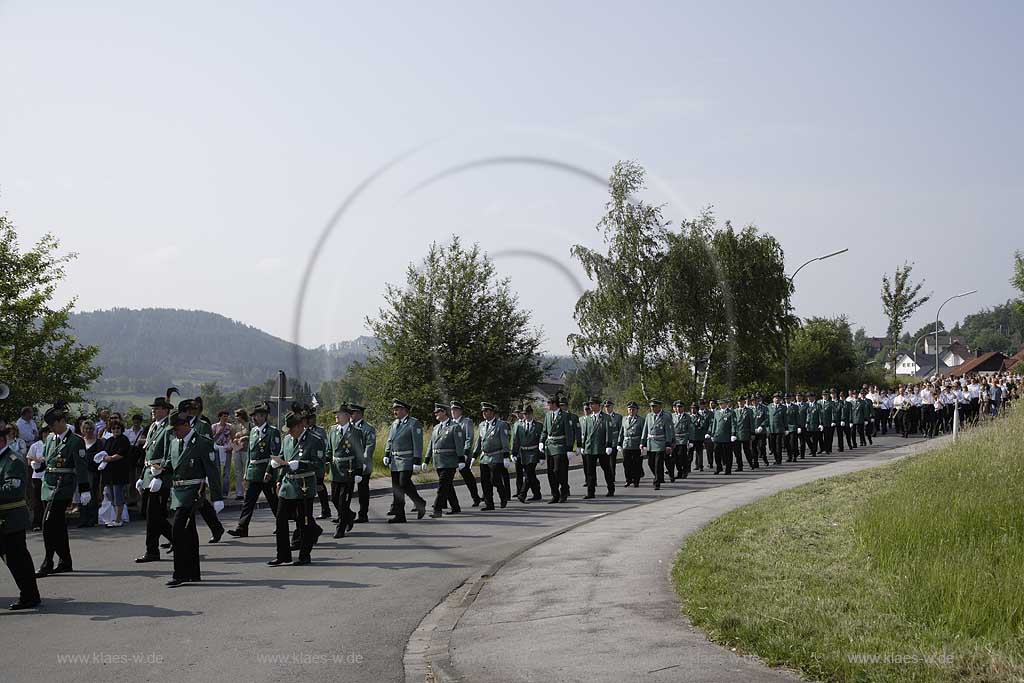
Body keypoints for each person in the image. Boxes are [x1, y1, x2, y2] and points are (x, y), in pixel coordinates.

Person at [163, 409, 224, 586]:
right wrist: (158, 475)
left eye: (176, 428)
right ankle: (193, 572)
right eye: (173, 429)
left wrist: (217, 496)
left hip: (193, 492)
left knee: (179, 530)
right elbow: (170, 465)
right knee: (189, 533)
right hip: (178, 492)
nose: (174, 432)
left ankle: (180, 573)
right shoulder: (175, 443)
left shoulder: (202, 443)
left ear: (186, 425)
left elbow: (212, 471)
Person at [37, 403, 91, 578]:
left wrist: (84, 489)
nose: (51, 428)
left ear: (61, 421)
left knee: (48, 524)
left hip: (63, 487)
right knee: (58, 527)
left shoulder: (75, 441)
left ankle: (48, 561)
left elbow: (81, 466)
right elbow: (48, 461)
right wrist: (38, 466)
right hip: (48, 486)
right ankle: (65, 561)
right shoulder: (51, 439)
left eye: (53, 424)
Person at [268, 411, 322, 565]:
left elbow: (319, 465)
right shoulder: (287, 440)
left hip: (304, 485)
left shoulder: (314, 440)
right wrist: (277, 469)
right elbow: (282, 456)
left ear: (300, 426)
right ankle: (283, 555)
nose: (289, 432)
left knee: (304, 522)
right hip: (287, 485)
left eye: (292, 429)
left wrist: (301, 465)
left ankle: (304, 555)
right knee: (280, 520)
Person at [0, 428, 41, 610]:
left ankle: (30, 596)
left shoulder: (13, 461)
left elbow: (13, 489)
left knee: (17, 560)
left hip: (10, 519)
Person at [227, 402, 281, 538]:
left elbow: (275, 454)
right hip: (253, 472)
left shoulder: (272, 431)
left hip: (266, 473)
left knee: (274, 502)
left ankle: (282, 524)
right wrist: (246, 472)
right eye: (252, 416)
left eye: (256, 416)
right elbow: (250, 454)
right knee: (248, 502)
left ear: (263, 416)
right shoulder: (253, 431)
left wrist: (270, 471)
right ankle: (242, 527)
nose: (253, 418)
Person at [135, 393, 175, 563]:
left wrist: (161, 475)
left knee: (153, 517)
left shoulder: (168, 428)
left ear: (165, 411)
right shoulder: (153, 427)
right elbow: (148, 453)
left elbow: (169, 454)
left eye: (157, 408)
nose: (153, 411)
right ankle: (179, 539)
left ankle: (152, 551)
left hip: (160, 477)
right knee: (150, 514)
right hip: (149, 474)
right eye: (153, 408)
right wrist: (142, 476)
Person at [326, 403, 365, 537]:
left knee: (344, 501)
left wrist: (359, 471)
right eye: (336, 414)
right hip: (335, 469)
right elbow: (329, 449)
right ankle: (350, 515)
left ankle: (341, 527)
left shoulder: (356, 432)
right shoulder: (332, 430)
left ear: (348, 416)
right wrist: (326, 460)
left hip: (349, 470)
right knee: (335, 499)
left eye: (339, 414)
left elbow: (360, 453)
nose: (336, 416)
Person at [384, 399, 426, 523]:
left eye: (397, 409)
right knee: (397, 488)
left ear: (405, 410)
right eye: (394, 409)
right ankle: (400, 515)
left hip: (407, 459)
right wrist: (387, 453)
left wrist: (417, 460)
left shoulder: (413, 423)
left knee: (403, 484)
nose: (395, 411)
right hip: (395, 460)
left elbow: (417, 443)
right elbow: (390, 440)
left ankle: (419, 503)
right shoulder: (395, 424)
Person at [425, 403, 465, 517]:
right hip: (438, 461)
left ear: (444, 412)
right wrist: (426, 460)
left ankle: (437, 510)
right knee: (448, 486)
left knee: (442, 486)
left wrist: (461, 459)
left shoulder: (454, 426)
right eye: (435, 412)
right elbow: (431, 444)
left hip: (449, 462)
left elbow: (459, 445)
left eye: (438, 411)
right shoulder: (436, 427)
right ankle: (455, 507)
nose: (436, 414)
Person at [472, 402, 511, 509]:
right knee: (485, 482)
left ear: (492, 412)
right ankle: (489, 504)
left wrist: (506, 456)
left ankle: (503, 497)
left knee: (495, 480)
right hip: (484, 457)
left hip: (496, 456)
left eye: (487, 411)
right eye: (483, 411)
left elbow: (505, 441)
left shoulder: (500, 424)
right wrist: (474, 456)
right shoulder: (482, 425)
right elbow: (479, 442)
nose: (484, 413)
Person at [540, 394, 575, 503]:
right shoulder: (547, 416)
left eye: (549, 403)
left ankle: (564, 493)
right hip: (550, 446)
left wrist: (569, 448)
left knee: (559, 471)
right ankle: (555, 494)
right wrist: (541, 441)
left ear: (554, 404)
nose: (547, 406)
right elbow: (545, 430)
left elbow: (569, 433)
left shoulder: (564, 416)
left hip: (560, 446)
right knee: (550, 472)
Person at [449, 402, 482, 508]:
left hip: (463, 454)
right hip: (451, 455)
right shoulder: (450, 423)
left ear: (460, 411)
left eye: (456, 410)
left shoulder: (466, 422)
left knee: (467, 476)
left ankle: (475, 497)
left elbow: (469, 438)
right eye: (452, 410)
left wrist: (466, 453)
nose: (453, 412)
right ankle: (443, 501)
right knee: (447, 478)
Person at [579, 397, 612, 499]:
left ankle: (611, 488)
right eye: (590, 404)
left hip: (601, 447)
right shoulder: (588, 418)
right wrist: (583, 446)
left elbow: (608, 433)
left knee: (606, 469)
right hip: (590, 447)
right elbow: (585, 434)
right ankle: (590, 492)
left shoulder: (606, 417)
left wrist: (609, 445)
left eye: (592, 404)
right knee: (590, 471)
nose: (590, 406)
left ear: (598, 405)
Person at [100, 419, 131, 527]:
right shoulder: (109, 441)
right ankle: (116, 517)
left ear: (121, 429)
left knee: (118, 496)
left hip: (119, 472)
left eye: (118, 428)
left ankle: (118, 519)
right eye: (113, 428)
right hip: (108, 472)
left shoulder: (124, 440)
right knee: (111, 496)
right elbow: (103, 453)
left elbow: (121, 454)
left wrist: (109, 458)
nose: (116, 430)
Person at [511, 404, 543, 502]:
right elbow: (516, 440)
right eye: (525, 414)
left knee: (529, 473)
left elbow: (542, 440)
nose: (526, 416)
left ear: (531, 414)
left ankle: (522, 494)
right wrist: (514, 453)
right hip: (523, 453)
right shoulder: (519, 425)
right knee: (531, 475)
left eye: (528, 414)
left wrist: (542, 455)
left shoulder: (538, 426)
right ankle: (537, 493)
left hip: (533, 452)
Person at [350, 404, 376, 524]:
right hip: (350, 464)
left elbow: (369, 446)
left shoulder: (368, 428)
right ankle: (345, 514)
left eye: (353, 412)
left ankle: (363, 514)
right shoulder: (349, 427)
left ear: (360, 413)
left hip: (363, 464)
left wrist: (363, 461)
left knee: (362, 490)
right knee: (346, 490)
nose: (351, 415)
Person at [640, 398, 674, 489]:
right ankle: (659, 476)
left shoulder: (665, 417)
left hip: (660, 443)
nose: (652, 408)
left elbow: (668, 431)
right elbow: (645, 429)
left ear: (659, 407)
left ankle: (657, 482)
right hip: (651, 442)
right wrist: (642, 442)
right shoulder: (649, 416)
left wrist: (668, 444)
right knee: (650, 463)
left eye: (654, 406)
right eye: (651, 406)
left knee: (658, 463)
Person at [78, 420, 103, 528]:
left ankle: (92, 519)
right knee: (82, 494)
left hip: (93, 471)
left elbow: (99, 456)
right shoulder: (80, 442)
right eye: (86, 429)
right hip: (81, 472)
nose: (88, 431)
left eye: (90, 429)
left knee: (92, 494)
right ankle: (83, 519)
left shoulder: (98, 442)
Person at [26, 425, 49, 530]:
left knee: (48, 500)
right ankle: (37, 523)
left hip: (49, 474)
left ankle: (48, 522)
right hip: (38, 475)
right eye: (44, 433)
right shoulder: (36, 445)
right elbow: (29, 459)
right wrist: (37, 461)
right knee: (37, 500)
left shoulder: (54, 444)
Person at [618, 402, 643, 487]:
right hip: (626, 444)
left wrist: (643, 443)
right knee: (626, 463)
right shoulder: (624, 419)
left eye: (633, 409)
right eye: (630, 409)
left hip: (636, 444)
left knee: (636, 463)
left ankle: (636, 480)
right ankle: (628, 480)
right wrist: (619, 443)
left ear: (636, 410)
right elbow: (621, 432)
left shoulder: (640, 420)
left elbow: (643, 433)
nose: (631, 411)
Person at [212, 410, 234, 498]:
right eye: (224, 416)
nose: (225, 418)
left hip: (227, 450)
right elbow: (212, 439)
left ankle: (225, 492)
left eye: (226, 416)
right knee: (217, 471)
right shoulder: (214, 426)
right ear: (220, 417)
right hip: (217, 449)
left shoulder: (230, 427)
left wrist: (232, 446)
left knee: (226, 471)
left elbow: (232, 437)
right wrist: (219, 432)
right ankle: (217, 491)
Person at [229, 409, 250, 500]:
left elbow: (253, 436)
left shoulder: (249, 425)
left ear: (241, 416)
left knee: (246, 471)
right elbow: (232, 436)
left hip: (246, 450)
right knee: (238, 472)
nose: (236, 417)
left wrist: (244, 437)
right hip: (237, 450)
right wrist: (234, 440)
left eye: (237, 415)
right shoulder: (235, 426)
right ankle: (239, 493)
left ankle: (248, 491)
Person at [602, 400, 623, 486]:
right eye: (606, 407)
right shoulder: (602, 417)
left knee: (612, 461)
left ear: (612, 407)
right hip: (605, 442)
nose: (607, 408)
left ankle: (612, 476)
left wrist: (619, 442)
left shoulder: (618, 417)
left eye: (609, 406)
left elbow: (620, 430)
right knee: (605, 462)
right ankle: (609, 476)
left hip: (614, 441)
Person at [671, 400, 693, 480]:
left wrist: (691, 440)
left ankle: (685, 471)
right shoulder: (672, 416)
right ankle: (679, 471)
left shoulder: (687, 417)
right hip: (675, 438)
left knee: (682, 455)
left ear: (683, 408)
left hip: (683, 438)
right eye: (677, 407)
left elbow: (691, 429)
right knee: (675, 457)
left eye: (680, 407)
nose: (679, 408)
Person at [767, 393, 787, 465]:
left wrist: (786, 428)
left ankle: (779, 459)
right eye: (775, 398)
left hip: (779, 429)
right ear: (773, 399)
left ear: (780, 399)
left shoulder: (783, 407)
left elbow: (785, 419)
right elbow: (767, 417)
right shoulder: (769, 407)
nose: (776, 399)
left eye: (778, 398)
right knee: (773, 445)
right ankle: (776, 458)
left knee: (778, 444)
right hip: (771, 429)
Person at [752, 394, 770, 465]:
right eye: (753, 400)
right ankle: (755, 462)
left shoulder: (764, 408)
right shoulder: (750, 409)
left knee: (761, 446)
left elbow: (767, 418)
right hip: (753, 430)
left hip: (761, 430)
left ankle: (764, 458)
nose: (754, 401)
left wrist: (762, 426)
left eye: (756, 399)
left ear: (758, 400)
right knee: (753, 447)